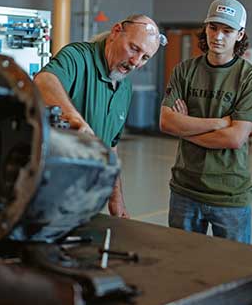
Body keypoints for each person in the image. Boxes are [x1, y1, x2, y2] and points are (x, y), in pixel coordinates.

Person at [159, 0, 252, 305]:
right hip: (185, 189)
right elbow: (165, 121)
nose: (218, 36)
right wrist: (216, 123)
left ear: (240, 34)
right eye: (213, 28)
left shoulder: (250, 79)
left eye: (226, 30)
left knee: (234, 278)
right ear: (204, 30)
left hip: (230, 196)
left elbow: (236, 138)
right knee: (180, 275)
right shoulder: (184, 71)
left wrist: (187, 124)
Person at [35, 14, 166, 218]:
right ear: (115, 32)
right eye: (134, 48)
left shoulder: (125, 86)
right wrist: (74, 118)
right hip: (49, 189)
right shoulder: (78, 57)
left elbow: (110, 148)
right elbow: (44, 81)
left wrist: (116, 199)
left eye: (145, 57)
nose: (135, 61)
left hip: (86, 196)